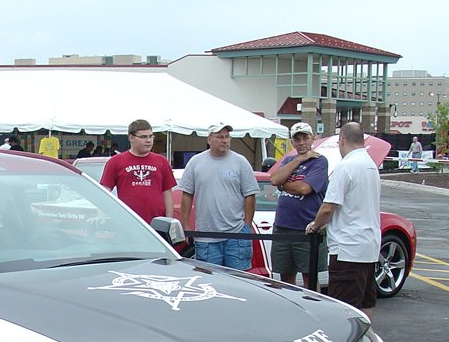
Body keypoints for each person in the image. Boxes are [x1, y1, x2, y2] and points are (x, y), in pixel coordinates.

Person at [306, 122, 381, 317]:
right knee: (366, 301)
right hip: (369, 246)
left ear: (342, 140)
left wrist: (315, 226)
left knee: (344, 307)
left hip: (348, 248)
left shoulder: (345, 166)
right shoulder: (371, 165)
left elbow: (328, 207)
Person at [178, 122, 259, 270]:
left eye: (227, 137)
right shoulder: (195, 162)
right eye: (220, 137)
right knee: (210, 282)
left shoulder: (240, 162)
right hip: (206, 236)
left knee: (239, 281)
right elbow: (187, 195)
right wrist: (186, 226)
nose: (225, 140)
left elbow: (250, 195)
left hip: (236, 234)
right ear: (209, 140)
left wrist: (246, 226)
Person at [268, 122, 329, 288]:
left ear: (313, 138)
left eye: (305, 138)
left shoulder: (320, 161)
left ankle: (315, 310)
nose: (301, 142)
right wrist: (299, 159)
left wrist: (283, 184)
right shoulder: (288, 160)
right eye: (297, 139)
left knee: (310, 278)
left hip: (307, 229)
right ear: (292, 142)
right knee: (285, 277)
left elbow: (304, 188)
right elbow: (274, 179)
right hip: (282, 227)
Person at [100, 119, 176, 224]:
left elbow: (167, 193)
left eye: (151, 136)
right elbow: (104, 192)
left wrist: (169, 221)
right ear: (131, 138)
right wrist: (101, 215)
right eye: (143, 137)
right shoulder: (115, 162)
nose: (149, 140)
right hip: (127, 223)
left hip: (156, 224)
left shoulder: (162, 161)